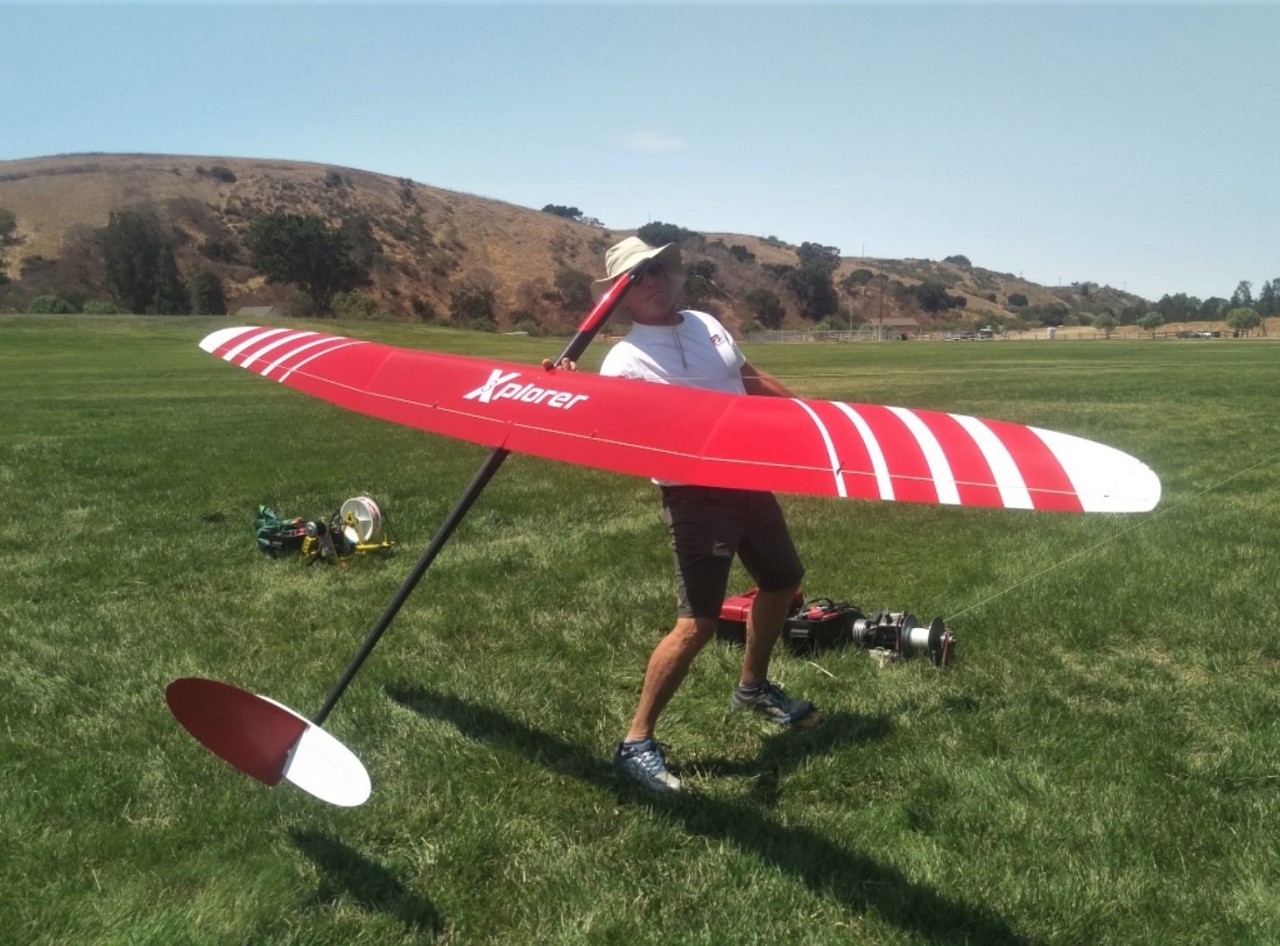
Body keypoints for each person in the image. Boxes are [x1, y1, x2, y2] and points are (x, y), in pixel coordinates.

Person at [589, 236, 818, 795]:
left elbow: (749, 379)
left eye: (660, 269)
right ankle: (636, 742)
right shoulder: (624, 361)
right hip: (695, 497)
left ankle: (753, 687)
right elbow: (619, 432)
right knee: (698, 624)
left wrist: (814, 419)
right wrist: (565, 384)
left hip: (749, 479)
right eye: (639, 276)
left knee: (783, 582)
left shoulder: (706, 323)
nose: (655, 280)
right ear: (621, 294)